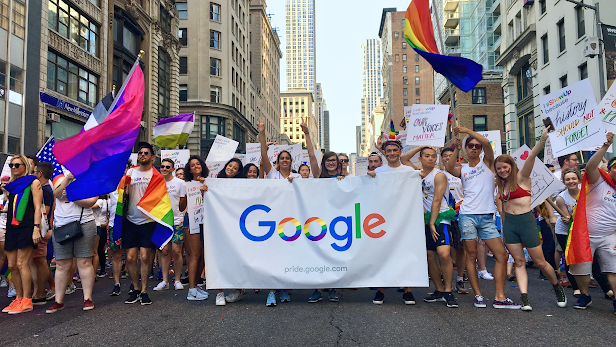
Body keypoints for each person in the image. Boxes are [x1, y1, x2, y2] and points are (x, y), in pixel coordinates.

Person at [445, 126, 520, 309]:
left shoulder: (488, 164)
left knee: (501, 255)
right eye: (470, 145)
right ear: (465, 148)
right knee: (471, 256)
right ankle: (478, 295)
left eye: (477, 146)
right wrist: (455, 147)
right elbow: (447, 167)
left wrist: (466, 131)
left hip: (487, 216)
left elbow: (486, 142)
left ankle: (499, 296)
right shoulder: (461, 169)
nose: (474, 148)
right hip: (467, 216)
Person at [494, 126, 566, 311]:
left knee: (540, 262)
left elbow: (532, 156)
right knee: (518, 261)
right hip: (510, 224)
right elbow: (502, 211)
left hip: (526, 222)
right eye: (499, 168)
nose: (502, 170)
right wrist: (503, 229)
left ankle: (556, 287)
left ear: (511, 165)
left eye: (505, 167)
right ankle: (524, 298)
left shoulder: (522, 177)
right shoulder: (499, 186)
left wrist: (542, 140)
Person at [569, 132, 616, 313]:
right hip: (585, 234)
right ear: (609, 170)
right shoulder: (599, 182)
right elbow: (590, 167)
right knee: (581, 269)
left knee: (613, 269)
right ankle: (585, 295)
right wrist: (606, 146)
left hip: (609, 236)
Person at [367, 138, 416, 305]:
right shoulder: (379, 171)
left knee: (405, 253)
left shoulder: (409, 170)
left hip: (404, 218)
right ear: (385, 153)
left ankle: (407, 291)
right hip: (383, 219)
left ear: (400, 152)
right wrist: (371, 178)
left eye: (395, 150)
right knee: (383, 253)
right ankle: (380, 290)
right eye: (389, 151)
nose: (393, 153)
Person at [301, 119, 342, 303]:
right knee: (317, 253)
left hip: (337, 221)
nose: (331, 163)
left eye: (334, 161)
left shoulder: (346, 178)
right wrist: (307, 134)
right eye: (328, 160)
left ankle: (333, 288)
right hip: (318, 220)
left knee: (333, 254)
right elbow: (311, 155)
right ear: (324, 163)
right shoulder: (318, 175)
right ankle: (317, 289)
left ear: (338, 163)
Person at [257, 117, 297, 306]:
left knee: (287, 255)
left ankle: (283, 289)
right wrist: (262, 133)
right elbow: (264, 156)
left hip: (292, 222)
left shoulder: (298, 177)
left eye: (287, 159)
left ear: (291, 161)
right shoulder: (272, 174)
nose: (284, 161)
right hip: (273, 221)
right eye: (281, 159)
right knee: (273, 256)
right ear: (278, 161)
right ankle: (271, 292)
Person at [45, 173, 98, 313]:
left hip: (84, 223)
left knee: (84, 262)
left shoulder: (90, 178)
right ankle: (58, 300)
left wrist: (72, 195)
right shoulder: (61, 177)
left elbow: (91, 201)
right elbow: (55, 194)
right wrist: (67, 180)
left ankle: (88, 298)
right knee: (61, 264)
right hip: (61, 225)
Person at [416, 146, 458, 307]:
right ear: (420, 159)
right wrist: (420, 147)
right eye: (426, 156)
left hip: (440, 219)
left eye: (433, 156)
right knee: (429, 256)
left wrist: (433, 222)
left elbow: (437, 200)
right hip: (425, 219)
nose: (431, 159)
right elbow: (404, 159)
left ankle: (448, 291)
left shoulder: (439, 175)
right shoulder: (417, 174)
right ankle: (439, 290)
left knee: (444, 254)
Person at [2, 156, 42, 314]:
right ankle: (18, 298)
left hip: (27, 226)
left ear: (25, 166)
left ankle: (26, 299)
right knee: (11, 265)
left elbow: (38, 208)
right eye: (11, 165)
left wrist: (36, 228)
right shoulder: (11, 186)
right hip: (12, 227)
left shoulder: (34, 182)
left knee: (21, 263)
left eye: (17, 165)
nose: (13, 167)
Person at [122, 143, 159, 306]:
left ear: (152, 157)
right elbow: (123, 193)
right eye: (140, 153)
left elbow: (161, 199)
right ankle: (135, 287)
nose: (142, 155)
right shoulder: (130, 172)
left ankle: (144, 290)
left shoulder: (156, 175)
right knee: (130, 257)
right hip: (130, 220)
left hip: (148, 221)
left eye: (146, 153)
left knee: (144, 257)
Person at [153, 159, 187, 293]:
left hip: (177, 220)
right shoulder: (156, 183)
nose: (165, 169)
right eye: (162, 167)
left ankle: (177, 280)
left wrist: (182, 217)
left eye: (168, 167)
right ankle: (165, 280)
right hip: (162, 221)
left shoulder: (180, 183)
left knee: (177, 251)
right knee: (165, 251)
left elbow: (183, 202)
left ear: (173, 169)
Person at [183, 156, 211, 302]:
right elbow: (181, 207)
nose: (195, 166)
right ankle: (191, 289)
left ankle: (196, 285)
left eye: (198, 164)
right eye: (192, 165)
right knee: (194, 254)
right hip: (191, 219)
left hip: (207, 220)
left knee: (202, 254)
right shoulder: (186, 184)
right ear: (189, 169)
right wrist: (189, 194)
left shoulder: (210, 181)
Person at [440, 147, 467, 294]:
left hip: (459, 214)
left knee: (460, 248)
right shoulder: (438, 173)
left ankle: (460, 279)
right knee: (444, 250)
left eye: (451, 155)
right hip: (443, 215)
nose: (448, 158)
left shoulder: (462, 173)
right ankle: (445, 277)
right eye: (445, 156)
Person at [30, 162, 55, 305]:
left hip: (42, 228)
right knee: (37, 261)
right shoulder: (45, 188)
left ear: (40, 174)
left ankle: (40, 293)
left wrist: (36, 227)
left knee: (40, 261)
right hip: (42, 228)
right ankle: (39, 291)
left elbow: (43, 211)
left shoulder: (45, 190)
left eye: (34, 172)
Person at [91, 195, 109, 278]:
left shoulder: (100, 201)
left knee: (98, 250)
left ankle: (98, 271)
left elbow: (92, 206)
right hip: (90, 225)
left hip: (98, 226)